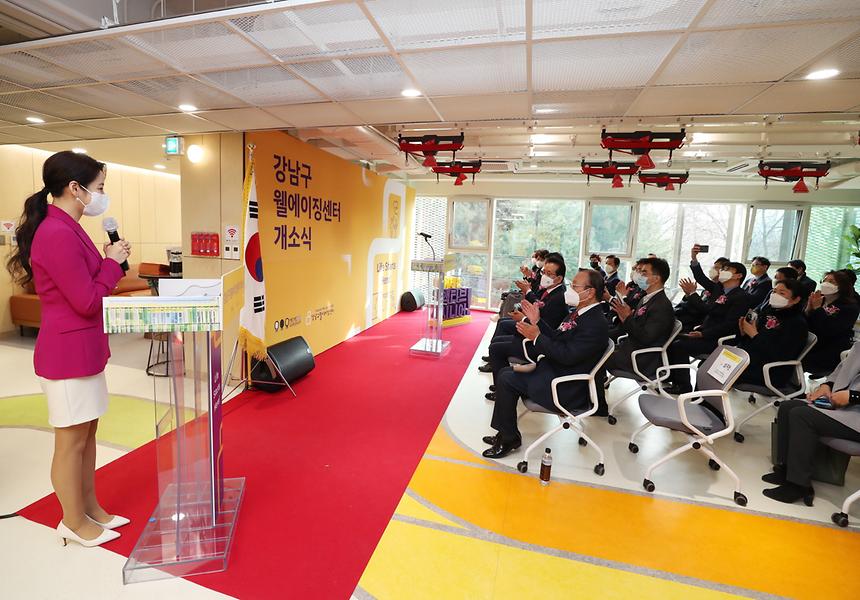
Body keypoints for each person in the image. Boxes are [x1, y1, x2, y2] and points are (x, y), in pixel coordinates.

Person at [5, 151, 132, 548]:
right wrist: (111, 263)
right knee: (70, 441)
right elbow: (86, 300)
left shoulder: (69, 227)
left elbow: (89, 283)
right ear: (75, 188)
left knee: (87, 434)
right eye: (99, 188)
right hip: (66, 356)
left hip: (84, 351)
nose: (102, 195)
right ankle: (73, 521)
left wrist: (109, 262)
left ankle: (90, 507)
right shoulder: (56, 233)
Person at [481, 270, 609, 458]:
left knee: (507, 379)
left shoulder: (595, 323)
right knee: (506, 374)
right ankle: (507, 433)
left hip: (566, 387)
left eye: (575, 286)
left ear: (590, 292)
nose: (570, 289)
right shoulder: (580, 313)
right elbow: (558, 337)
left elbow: (567, 356)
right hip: (555, 371)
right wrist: (538, 322)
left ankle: (508, 437)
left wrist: (537, 337)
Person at [763, 344, 860, 505]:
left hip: (855, 413)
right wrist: (826, 386)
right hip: (845, 407)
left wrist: (853, 396)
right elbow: (843, 368)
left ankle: (798, 485)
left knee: (802, 416)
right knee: (787, 407)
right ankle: (786, 469)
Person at [598, 257, 675, 415]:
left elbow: (646, 337)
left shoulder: (661, 305)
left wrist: (627, 318)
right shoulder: (648, 298)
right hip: (630, 348)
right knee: (594, 346)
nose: (639, 275)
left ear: (656, 278)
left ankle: (598, 405)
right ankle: (592, 398)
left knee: (593, 353)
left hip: (641, 358)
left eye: (644, 273)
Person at [482, 255, 568, 388]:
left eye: (549, 273)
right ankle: (499, 377)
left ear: (559, 278)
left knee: (496, 346)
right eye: (544, 272)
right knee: (500, 332)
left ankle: (501, 387)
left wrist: (523, 318)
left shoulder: (558, 297)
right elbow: (538, 305)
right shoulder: (550, 289)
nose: (544, 276)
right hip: (534, 331)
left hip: (538, 342)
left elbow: (545, 325)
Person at [664, 262, 750, 394]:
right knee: (671, 339)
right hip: (708, 333)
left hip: (721, 339)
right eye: (723, 268)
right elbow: (709, 310)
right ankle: (672, 377)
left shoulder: (741, 297)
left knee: (679, 345)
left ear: (738, 275)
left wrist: (704, 334)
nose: (722, 271)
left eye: (727, 269)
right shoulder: (722, 291)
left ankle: (683, 386)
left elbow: (729, 324)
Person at [731, 279, 808, 389]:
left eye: (782, 293)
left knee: (723, 373)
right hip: (748, 360)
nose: (775, 295)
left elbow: (779, 355)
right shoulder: (768, 312)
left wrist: (754, 335)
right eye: (774, 291)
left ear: (796, 299)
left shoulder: (797, 323)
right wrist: (743, 333)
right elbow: (749, 342)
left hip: (769, 371)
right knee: (713, 365)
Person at [803, 271, 859, 375]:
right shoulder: (820, 300)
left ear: (841, 286)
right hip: (810, 344)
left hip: (829, 349)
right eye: (824, 280)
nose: (825, 283)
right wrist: (808, 310)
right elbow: (805, 325)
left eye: (831, 281)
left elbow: (829, 330)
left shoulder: (850, 307)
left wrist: (817, 309)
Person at [674, 246, 731, 332]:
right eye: (713, 267)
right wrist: (688, 295)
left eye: (716, 267)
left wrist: (692, 293)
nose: (712, 269)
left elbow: (700, 278)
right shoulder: (709, 288)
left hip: (698, 323)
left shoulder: (722, 289)